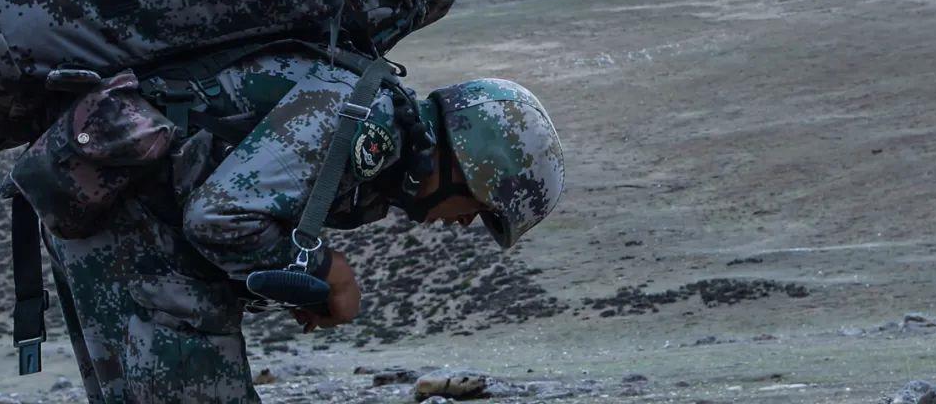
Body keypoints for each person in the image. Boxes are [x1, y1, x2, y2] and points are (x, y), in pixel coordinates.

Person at [30, 47, 565, 402]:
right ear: (467, 165)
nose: (465, 222)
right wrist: (330, 271)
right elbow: (218, 219)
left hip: (117, 224)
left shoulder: (374, 142)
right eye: (480, 208)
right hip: (132, 235)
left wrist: (294, 281)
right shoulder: (368, 121)